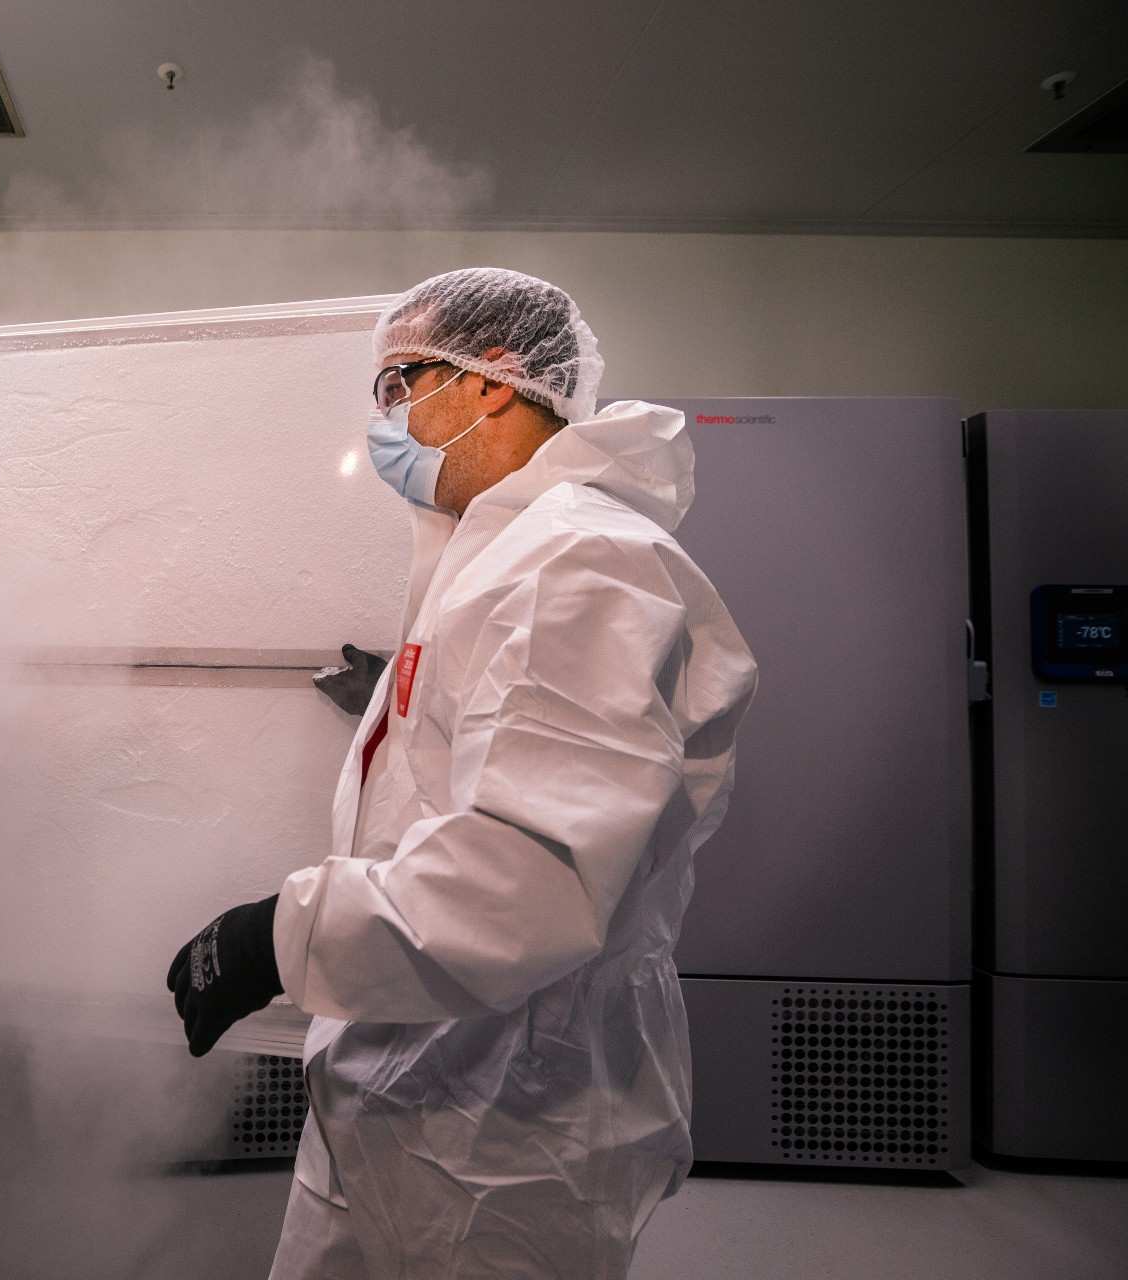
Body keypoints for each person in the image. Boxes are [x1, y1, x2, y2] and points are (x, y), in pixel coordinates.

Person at [166, 267, 760, 1279]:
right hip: (438, 1079)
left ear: (495, 377)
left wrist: (276, 933)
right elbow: (537, 747)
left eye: (399, 385)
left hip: (497, 1125)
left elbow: (529, 876)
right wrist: (414, 702)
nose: (385, 419)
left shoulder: (572, 561)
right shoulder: (518, 551)